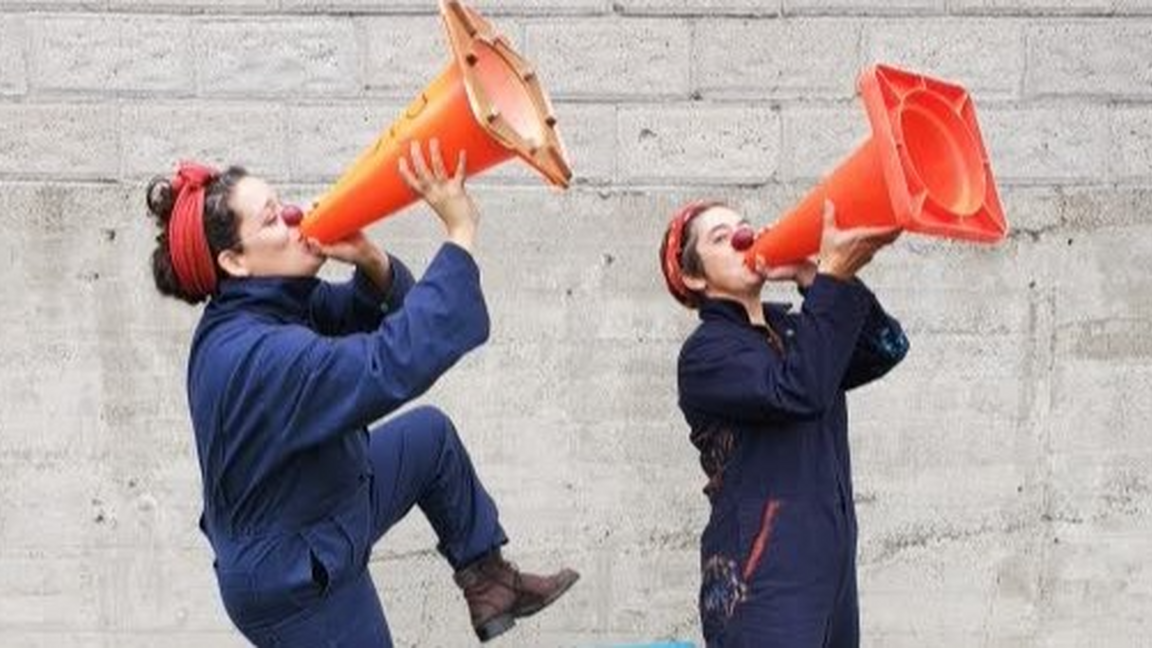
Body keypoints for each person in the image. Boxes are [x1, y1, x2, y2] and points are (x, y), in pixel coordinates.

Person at [144, 140, 578, 647]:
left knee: (429, 438)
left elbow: (356, 314)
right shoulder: (259, 357)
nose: (295, 216)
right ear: (235, 262)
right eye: (272, 220)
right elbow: (389, 362)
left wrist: (372, 260)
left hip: (323, 501)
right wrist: (459, 233)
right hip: (296, 583)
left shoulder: (260, 306)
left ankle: (490, 584)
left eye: (282, 202)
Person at [659, 200, 909, 648]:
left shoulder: (796, 331)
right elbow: (800, 391)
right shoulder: (706, 354)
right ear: (695, 277)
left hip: (829, 571)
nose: (743, 238)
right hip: (761, 578)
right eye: (721, 238)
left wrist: (818, 279)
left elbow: (887, 347)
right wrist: (831, 281)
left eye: (745, 228)